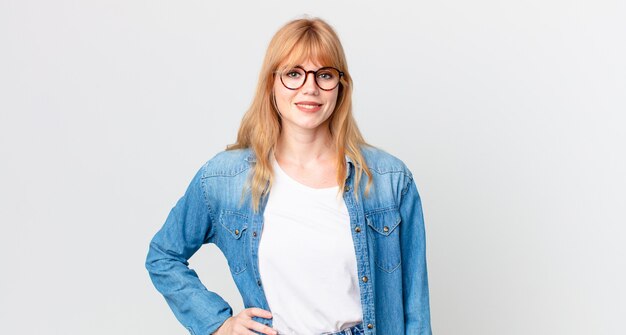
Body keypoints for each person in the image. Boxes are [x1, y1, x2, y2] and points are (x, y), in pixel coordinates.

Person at [145, 17, 431, 335]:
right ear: (272, 83)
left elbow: (414, 310)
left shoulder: (389, 181)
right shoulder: (226, 180)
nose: (310, 88)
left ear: (341, 86)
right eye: (294, 74)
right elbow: (163, 255)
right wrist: (219, 324)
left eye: (324, 74)